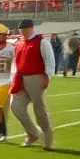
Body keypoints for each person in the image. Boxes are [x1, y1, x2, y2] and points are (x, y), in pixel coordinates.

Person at [10, 18, 57, 150]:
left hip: (36, 77)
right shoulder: (19, 43)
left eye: (25, 29)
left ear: (31, 29)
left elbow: (49, 60)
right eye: (21, 30)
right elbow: (15, 62)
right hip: (20, 77)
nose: (22, 32)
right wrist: (13, 77)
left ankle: (48, 139)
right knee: (16, 106)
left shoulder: (41, 42)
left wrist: (47, 76)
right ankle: (33, 133)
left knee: (39, 109)